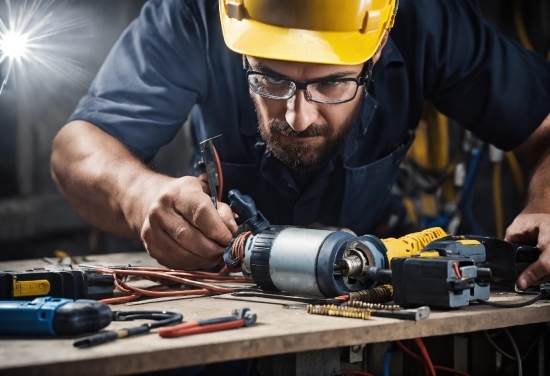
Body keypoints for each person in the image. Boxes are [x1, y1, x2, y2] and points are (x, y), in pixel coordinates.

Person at [51, 0, 550, 290]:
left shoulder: (429, 20)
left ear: (377, 45)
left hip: (360, 290)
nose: (297, 116)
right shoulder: (198, 15)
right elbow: (76, 148)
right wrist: (138, 195)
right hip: (221, 287)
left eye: (333, 84)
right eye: (269, 80)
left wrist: (546, 206)